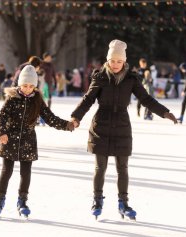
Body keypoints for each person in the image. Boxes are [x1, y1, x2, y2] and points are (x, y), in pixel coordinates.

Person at [70, 39, 177, 220]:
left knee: (123, 168)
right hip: (101, 126)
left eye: (119, 61)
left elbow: (146, 99)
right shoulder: (100, 77)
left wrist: (164, 112)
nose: (116, 65)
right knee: (100, 168)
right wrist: (76, 117)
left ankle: (123, 203)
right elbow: (88, 99)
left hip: (121, 126)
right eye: (112, 61)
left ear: (124, 61)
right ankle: (97, 200)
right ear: (108, 60)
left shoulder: (131, 79)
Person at [0, 65, 75, 218]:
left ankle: (22, 201)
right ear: (19, 84)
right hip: (9, 139)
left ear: (35, 86)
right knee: (6, 171)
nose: (28, 89)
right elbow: (1, 117)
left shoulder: (37, 101)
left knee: (25, 172)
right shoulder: (12, 98)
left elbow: (50, 118)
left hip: (27, 141)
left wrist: (66, 125)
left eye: (31, 86)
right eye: (25, 85)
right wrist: (1, 132)